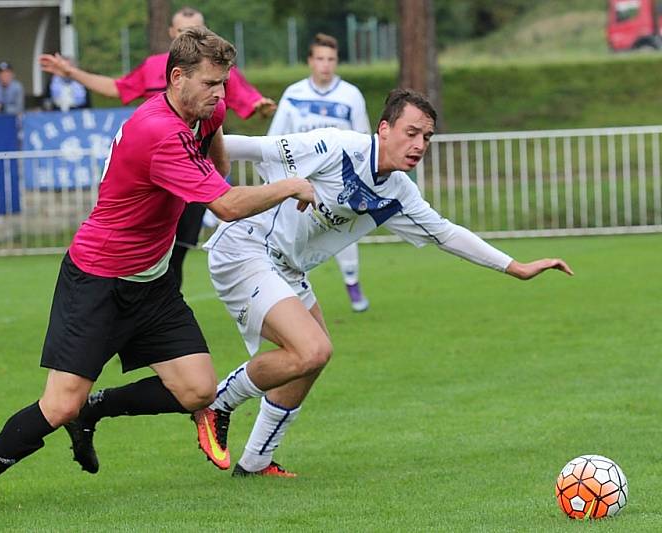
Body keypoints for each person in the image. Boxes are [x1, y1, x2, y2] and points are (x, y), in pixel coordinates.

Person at [0, 26, 313, 515]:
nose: (219, 94)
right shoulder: (156, 132)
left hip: (152, 281)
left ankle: (96, 410)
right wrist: (289, 185)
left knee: (198, 390)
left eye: (224, 83)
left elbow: (216, 165)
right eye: (210, 83)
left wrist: (215, 128)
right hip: (98, 279)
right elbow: (225, 203)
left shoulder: (205, 111)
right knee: (59, 405)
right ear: (177, 77)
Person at [191, 89, 574, 477]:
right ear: (384, 128)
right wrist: (183, 149)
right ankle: (217, 403)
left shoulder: (399, 192)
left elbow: (446, 234)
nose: (419, 145)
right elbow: (254, 148)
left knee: (311, 361)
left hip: (286, 267)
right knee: (312, 350)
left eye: (426, 137)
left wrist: (516, 267)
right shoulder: (337, 146)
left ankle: (255, 462)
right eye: (411, 133)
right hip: (246, 247)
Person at [39, 6, 277, 290]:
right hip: (156, 175)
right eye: (183, 32)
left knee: (176, 252)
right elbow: (118, 87)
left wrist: (257, 104)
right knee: (148, 246)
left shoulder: (215, 73)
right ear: (172, 36)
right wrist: (71, 72)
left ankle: (161, 310)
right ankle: (152, 309)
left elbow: (238, 101)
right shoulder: (155, 68)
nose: (218, 90)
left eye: (197, 31)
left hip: (191, 183)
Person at [268, 32, 371, 312]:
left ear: (336, 61)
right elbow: (275, 137)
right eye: (320, 59)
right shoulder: (294, 94)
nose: (325, 65)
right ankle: (295, 294)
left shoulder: (350, 95)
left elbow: (363, 138)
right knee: (296, 237)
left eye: (331, 59)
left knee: (342, 231)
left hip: (338, 181)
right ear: (310, 61)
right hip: (299, 182)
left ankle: (353, 284)